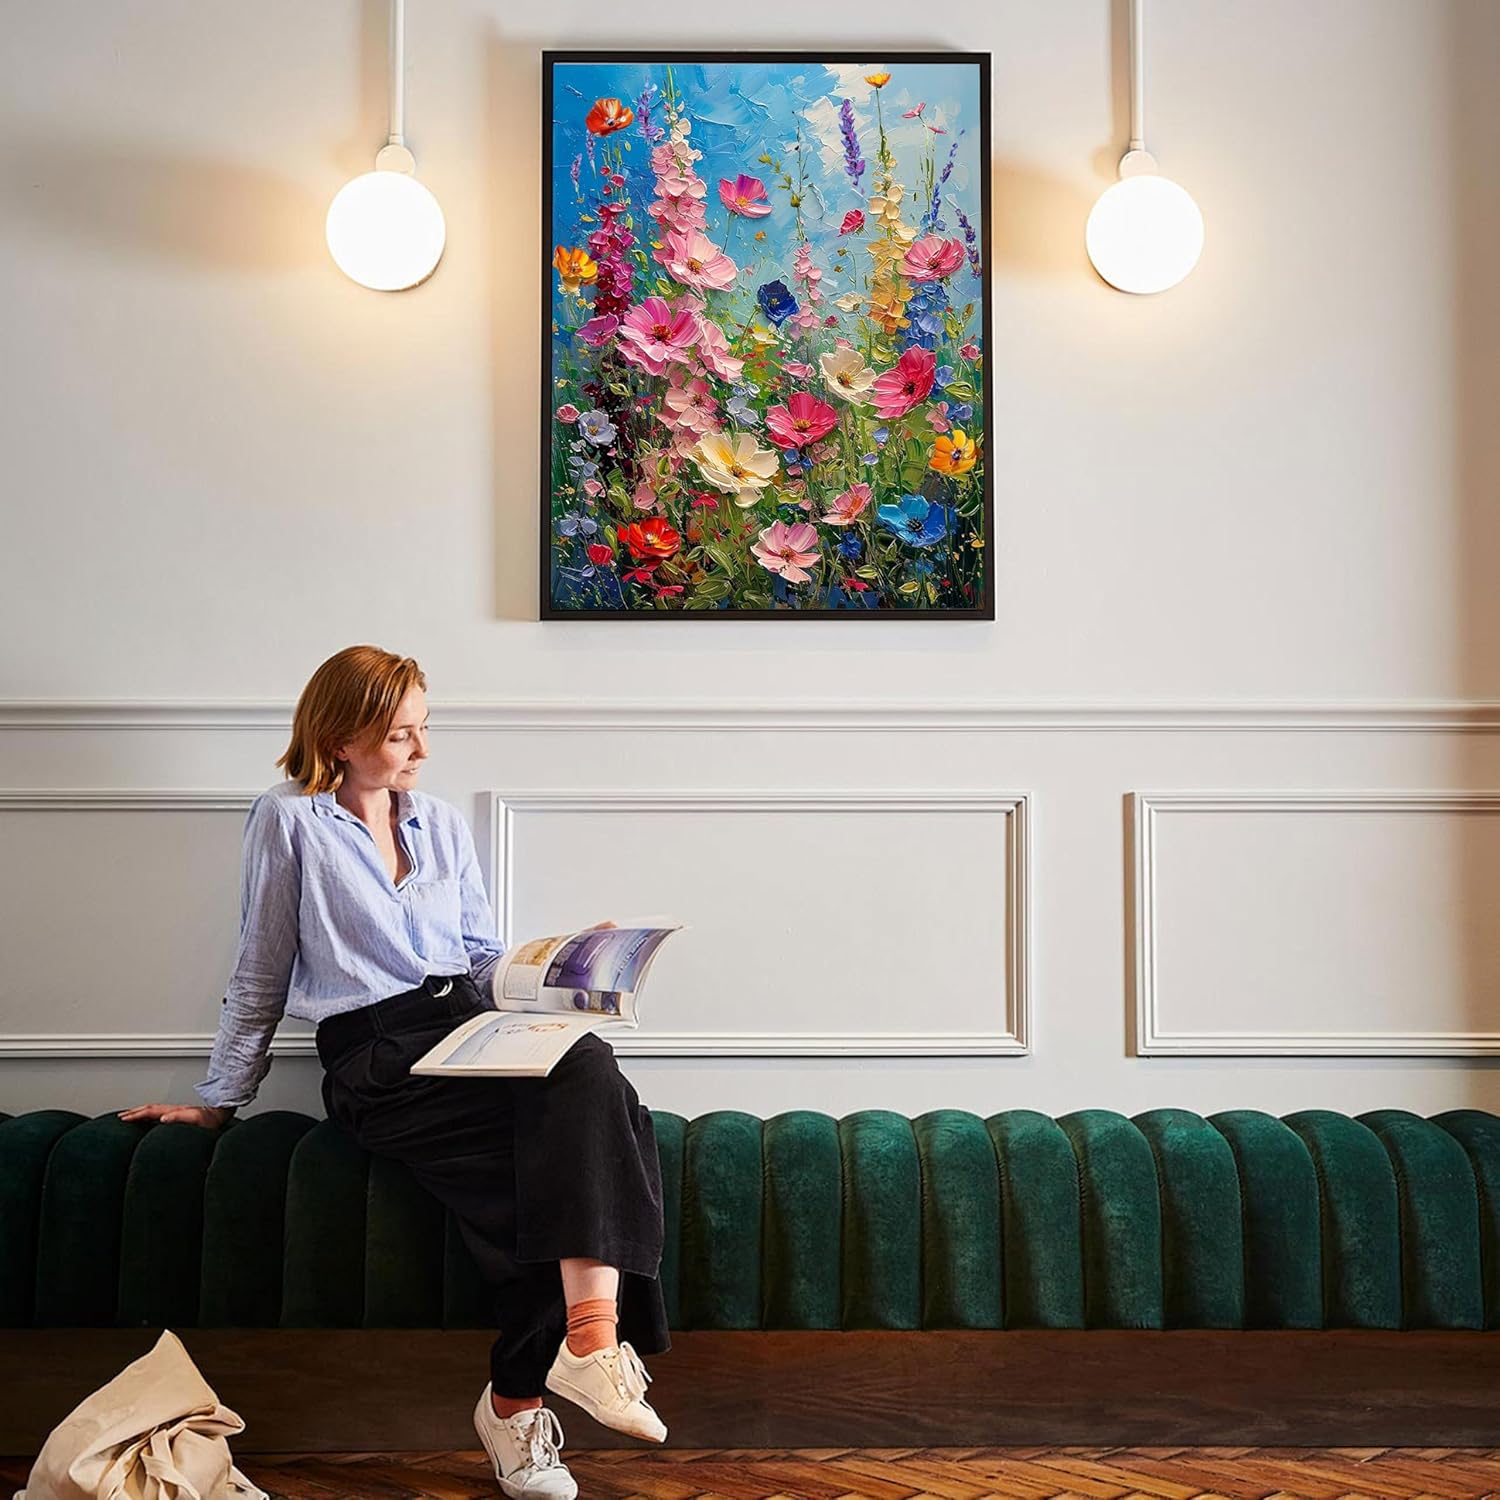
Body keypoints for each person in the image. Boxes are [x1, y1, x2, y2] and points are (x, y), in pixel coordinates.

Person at [118, 645, 670, 1500]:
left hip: (468, 1027)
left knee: (589, 1078)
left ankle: (573, 1357)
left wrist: (561, 967)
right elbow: (260, 969)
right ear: (340, 738)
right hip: (377, 1057)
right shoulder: (288, 820)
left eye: (423, 728)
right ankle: (543, 1382)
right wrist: (219, 1101)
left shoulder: (440, 822)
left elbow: (480, 960)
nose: (422, 750)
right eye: (401, 734)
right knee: (591, 1140)